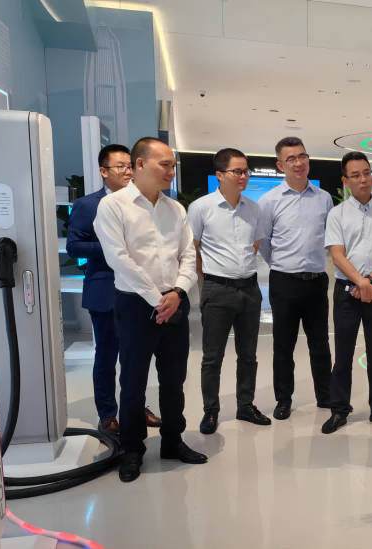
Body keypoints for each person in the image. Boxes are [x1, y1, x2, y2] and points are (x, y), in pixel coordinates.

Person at [95, 137, 205, 483]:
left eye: (173, 165)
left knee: (174, 380)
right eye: (165, 165)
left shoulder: (176, 210)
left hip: (174, 303)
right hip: (135, 304)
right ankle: (132, 449)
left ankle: (173, 440)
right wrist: (158, 298)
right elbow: (118, 259)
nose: (171, 171)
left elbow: (188, 255)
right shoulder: (114, 206)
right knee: (132, 381)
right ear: (139, 164)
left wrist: (178, 292)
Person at [67, 144, 162, 435]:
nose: (128, 171)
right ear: (103, 171)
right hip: (105, 291)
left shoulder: (142, 202)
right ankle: (108, 414)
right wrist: (112, 248)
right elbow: (74, 246)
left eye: (130, 165)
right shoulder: (88, 205)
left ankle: (136, 408)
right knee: (107, 356)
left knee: (135, 357)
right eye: (121, 166)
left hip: (138, 290)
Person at [188, 148, 271, 435]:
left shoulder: (254, 208)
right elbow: (192, 249)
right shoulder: (201, 207)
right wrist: (208, 280)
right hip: (217, 289)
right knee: (212, 358)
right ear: (219, 175)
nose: (243, 176)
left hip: (249, 289)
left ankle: (245, 405)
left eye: (246, 171)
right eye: (237, 171)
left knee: (248, 355)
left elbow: (255, 246)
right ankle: (210, 411)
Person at [321, 151, 372, 434]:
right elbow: (337, 255)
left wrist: (371, 282)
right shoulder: (337, 214)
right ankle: (339, 410)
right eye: (355, 175)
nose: (363, 179)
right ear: (345, 181)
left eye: (367, 173)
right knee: (343, 356)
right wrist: (361, 283)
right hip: (347, 293)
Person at [259, 137, 333, 419]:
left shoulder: (324, 198)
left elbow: (330, 237)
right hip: (284, 283)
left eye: (302, 156)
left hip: (316, 281)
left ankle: (325, 396)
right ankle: (283, 400)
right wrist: (281, 265)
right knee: (283, 346)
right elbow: (265, 242)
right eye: (291, 159)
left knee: (320, 344)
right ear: (280, 165)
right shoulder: (269, 201)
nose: (299, 162)